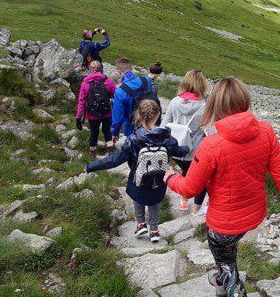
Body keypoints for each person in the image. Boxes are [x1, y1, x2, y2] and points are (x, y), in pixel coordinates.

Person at [164, 77, 280, 297]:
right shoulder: (265, 131)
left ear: (214, 105)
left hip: (224, 224)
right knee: (227, 258)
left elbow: (189, 188)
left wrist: (169, 177)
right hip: (254, 216)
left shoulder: (212, 145)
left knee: (229, 267)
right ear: (245, 102)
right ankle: (220, 278)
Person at [86, 99, 188, 242]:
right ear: (158, 115)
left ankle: (140, 224)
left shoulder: (133, 139)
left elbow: (115, 160)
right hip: (159, 179)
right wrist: (189, 147)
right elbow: (180, 151)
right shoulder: (166, 138)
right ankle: (154, 230)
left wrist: (91, 166)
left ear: (139, 115)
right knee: (154, 203)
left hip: (138, 177)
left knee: (137, 197)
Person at [162, 69, 208, 214]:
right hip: (196, 150)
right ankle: (196, 209)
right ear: (202, 85)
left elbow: (164, 125)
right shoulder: (204, 106)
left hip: (177, 149)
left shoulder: (174, 102)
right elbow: (210, 130)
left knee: (184, 171)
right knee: (201, 179)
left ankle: (183, 201)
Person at [75, 60, 117, 157]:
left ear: (90, 69)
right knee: (107, 130)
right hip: (106, 112)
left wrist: (78, 117)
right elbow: (116, 95)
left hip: (92, 114)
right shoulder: (108, 82)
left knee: (94, 131)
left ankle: (92, 152)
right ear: (101, 69)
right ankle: (110, 150)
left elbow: (81, 101)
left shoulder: (85, 84)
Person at [111, 58, 156, 142]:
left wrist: (114, 133)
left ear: (119, 72)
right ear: (131, 68)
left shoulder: (119, 91)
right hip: (148, 123)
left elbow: (117, 118)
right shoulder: (146, 81)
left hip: (131, 128)